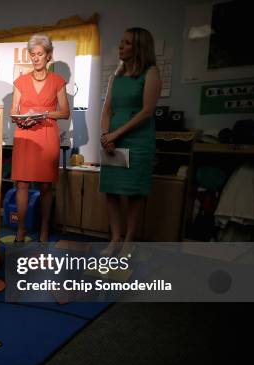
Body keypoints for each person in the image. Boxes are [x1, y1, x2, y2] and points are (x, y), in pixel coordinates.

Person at [99, 27, 161, 256]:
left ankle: (128, 241)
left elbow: (147, 111)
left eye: (126, 43)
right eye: (121, 42)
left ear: (139, 48)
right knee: (112, 191)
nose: (120, 46)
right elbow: (106, 110)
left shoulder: (151, 72)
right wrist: (106, 135)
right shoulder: (115, 76)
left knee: (134, 193)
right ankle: (115, 239)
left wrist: (116, 135)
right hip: (112, 140)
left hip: (137, 140)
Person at [10, 34, 70, 242]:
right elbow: (13, 112)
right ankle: (21, 229)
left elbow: (64, 113)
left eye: (39, 54)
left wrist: (43, 114)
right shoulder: (20, 82)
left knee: (45, 186)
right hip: (25, 134)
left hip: (46, 133)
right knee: (22, 184)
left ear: (48, 56)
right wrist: (22, 120)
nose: (35, 58)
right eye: (32, 54)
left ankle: (44, 230)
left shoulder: (57, 82)